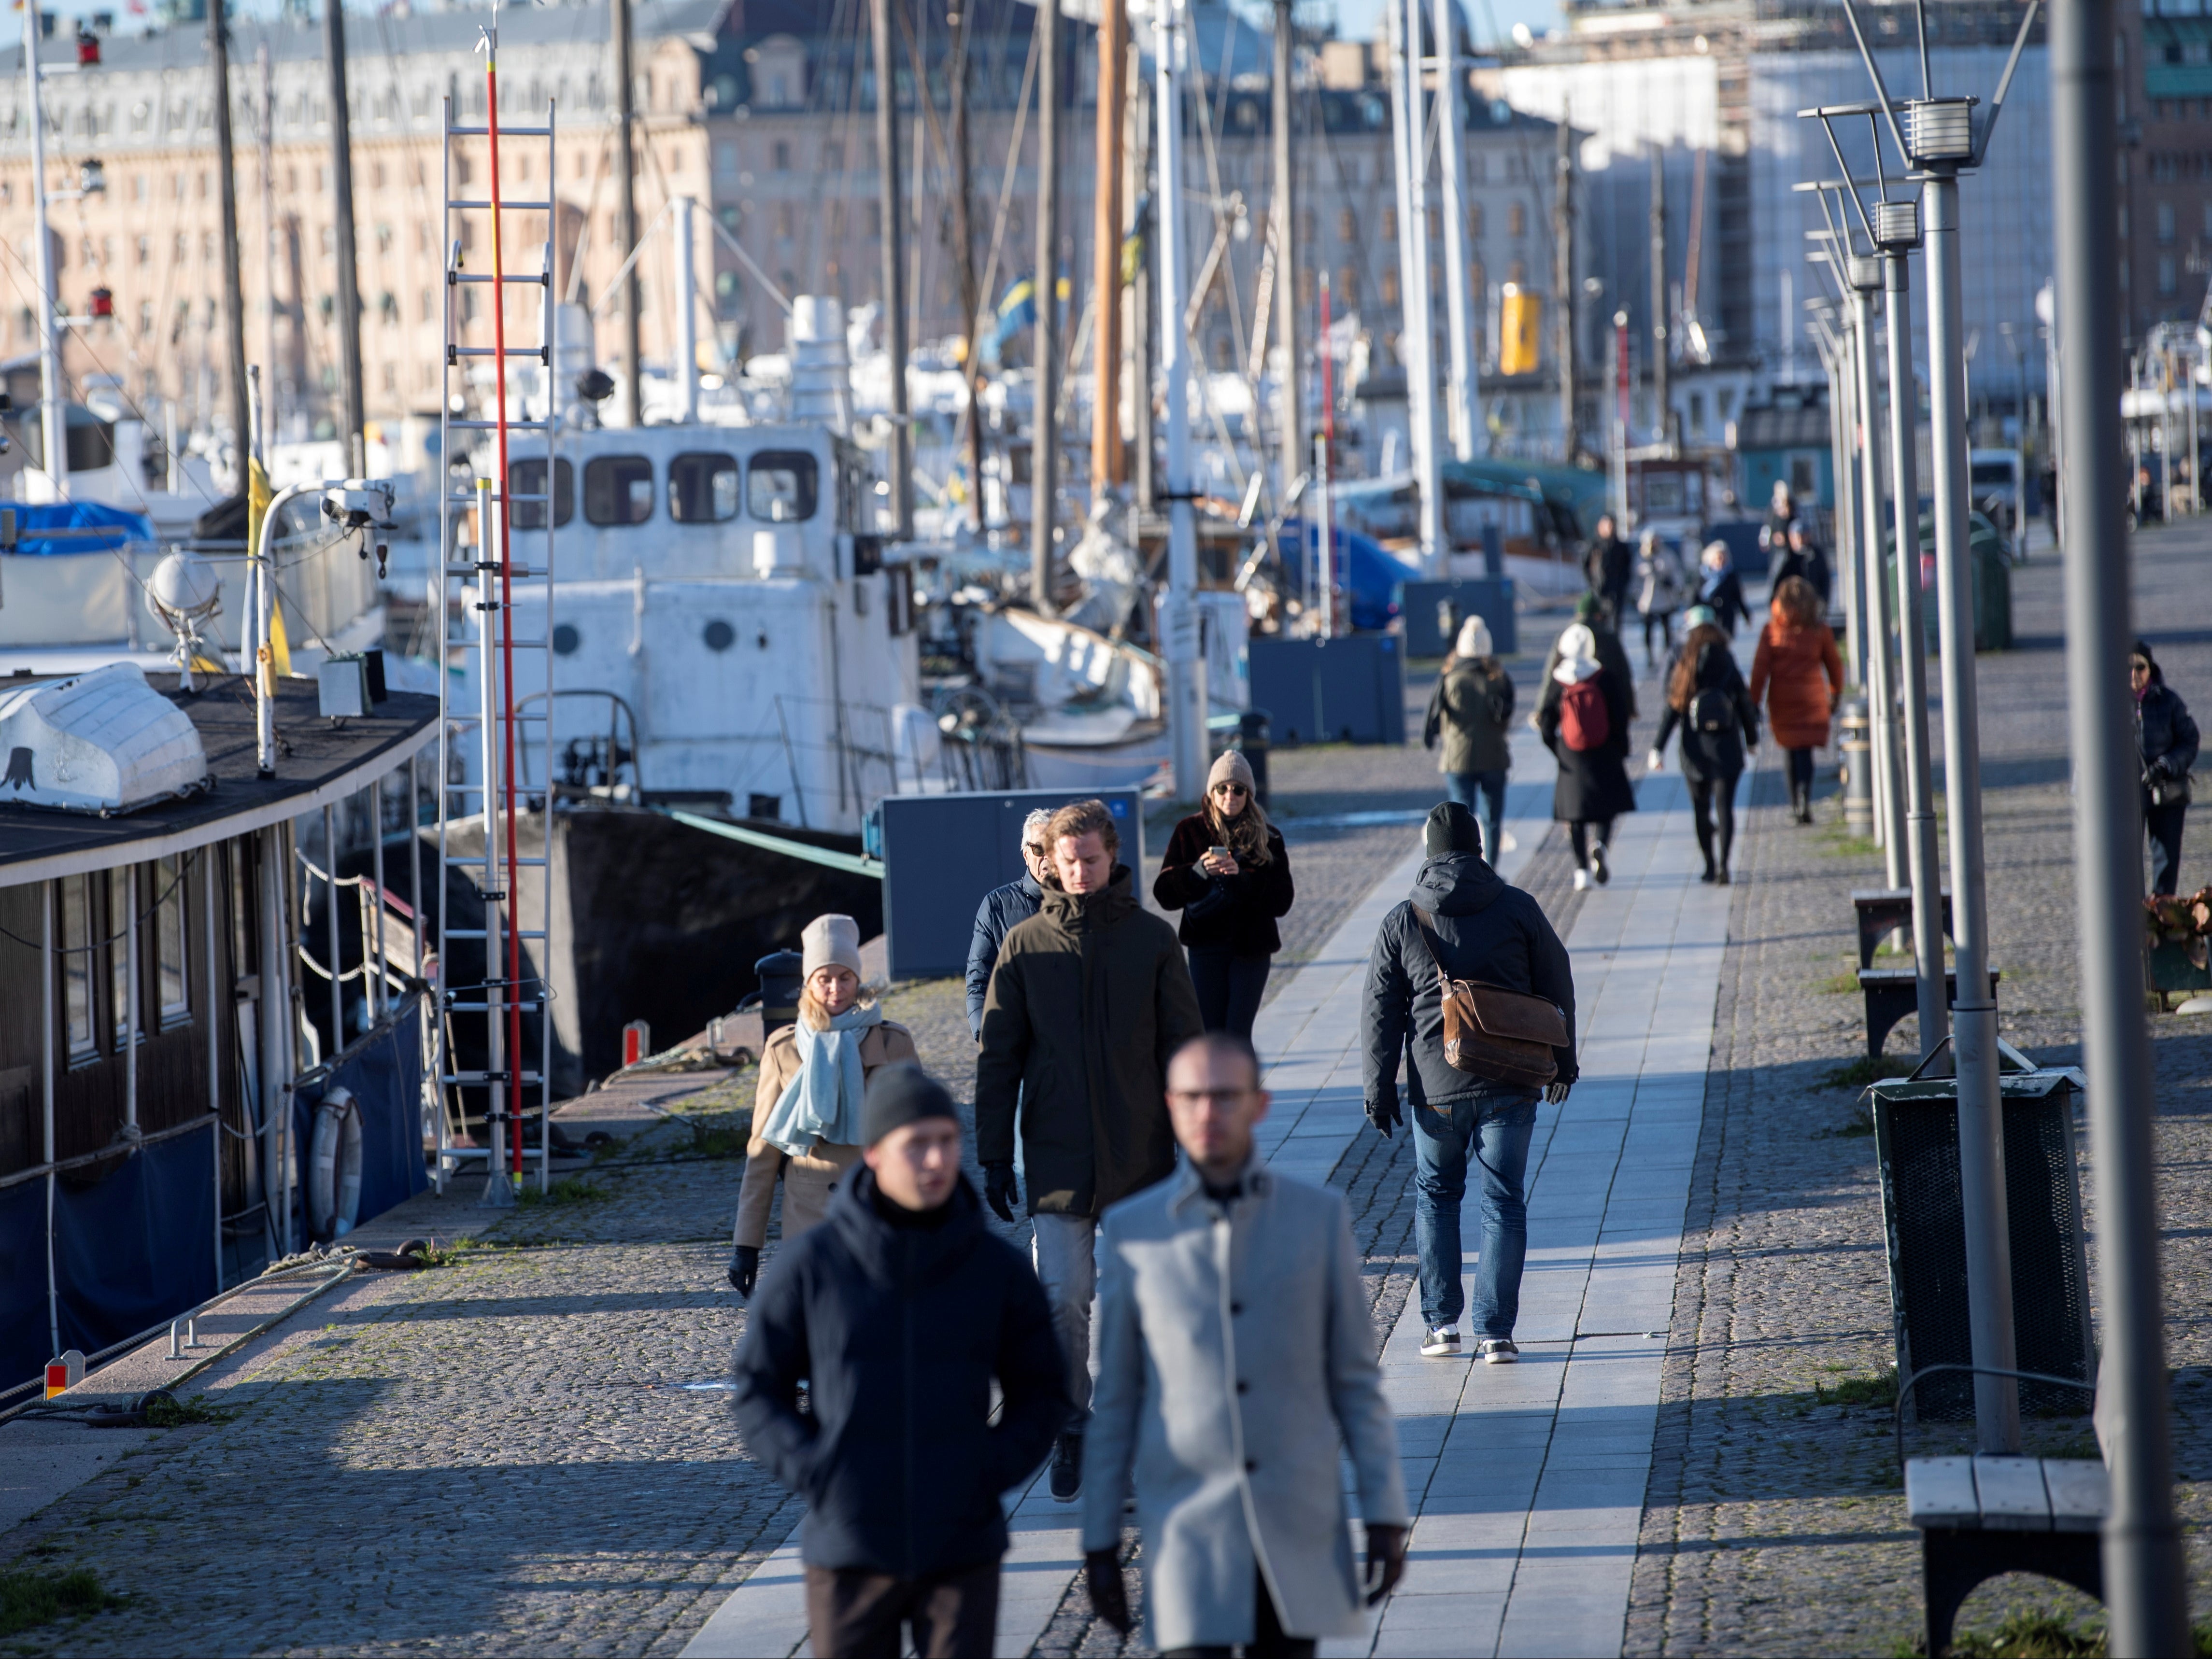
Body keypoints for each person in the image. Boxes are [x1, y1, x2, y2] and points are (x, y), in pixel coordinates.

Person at [1081, 1033, 1410, 1657]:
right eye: (1194, 1097)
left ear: (1260, 1105)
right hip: (1188, 1536)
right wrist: (1100, 1540)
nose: (1210, 1113)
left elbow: (1355, 1382)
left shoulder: (1316, 1218)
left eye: (1226, 1097)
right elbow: (1118, 1398)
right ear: (1170, 1106)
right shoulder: (1133, 1231)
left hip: (1295, 1523)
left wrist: (1385, 1514)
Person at [730, 1065, 1070, 1659]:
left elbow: (1041, 1391)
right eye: (916, 1144)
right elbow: (759, 1389)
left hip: (962, 1549)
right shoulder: (812, 1266)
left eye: (946, 1141)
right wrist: (822, 1470)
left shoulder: (997, 1269)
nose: (936, 1160)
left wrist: (985, 1470)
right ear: (874, 1154)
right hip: (850, 1551)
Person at [976, 797, 1205, 1502]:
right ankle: (1072, 1425)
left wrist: (1201, 1142)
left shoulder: (1151, 940)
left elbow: (1186, 1049)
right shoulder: (1023, 946)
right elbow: (998, 1057)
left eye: (1091, 859)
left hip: (1141, 1157)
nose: (1078, 871)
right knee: (1064, 1300)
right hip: (1056, 1155)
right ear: (1050, 861)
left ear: (1112, 856)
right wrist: (991, 1152)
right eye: (1066, 861)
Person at [1360, 804, 1577, 1364]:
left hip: (1436, 1088)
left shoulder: (1403, 919)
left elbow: (1379, 1014)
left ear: (1429, 852)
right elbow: (1557, 983)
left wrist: (1378, 1089)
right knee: (1503, 1202)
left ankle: (1440, 1326)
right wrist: (1563, 1061)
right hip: (1510, 1081)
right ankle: (1496, 1334)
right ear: (1480, 848)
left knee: (1436, 1196)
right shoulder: (1517, 908)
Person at [729, 914, 919, 1297]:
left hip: (878, 1207)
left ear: (858, 979)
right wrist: (746, 1245)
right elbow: (763, 1150)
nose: (836, 989)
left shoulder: (894, 1043)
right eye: (824, 979)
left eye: (845, 977)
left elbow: (920, 1138)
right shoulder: (784, 1048)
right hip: (808, 1213)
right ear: (808, 983)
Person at [1154, 751, 1295, 1040]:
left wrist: (1242, 878)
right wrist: (1197, 872)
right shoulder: (1189, 831)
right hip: (1205, 946)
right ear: (1212, 791)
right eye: (1222, 788)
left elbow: (1283, 901)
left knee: (1238, 1034)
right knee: (1211, 1034)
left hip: (1252, 947)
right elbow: (1165, 894)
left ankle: (1243, 1088)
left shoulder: (1269, 837)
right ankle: (1218, 1088)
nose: (1230, 795)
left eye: (1238, 789)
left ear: (1249, 794)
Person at [1649, 618, 1759, 884]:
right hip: (1726, 749)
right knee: (1725, 808)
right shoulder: (1728, 664)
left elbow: (1672, 711)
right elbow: (1745, 704)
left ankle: (1709, 865)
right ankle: (1724, 865)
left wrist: (1657, 749)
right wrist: (1752, 739)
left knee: (1701, 810)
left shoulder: (1687, 666)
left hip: (1694, 750)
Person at [1537, 621, 1637, 890]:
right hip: (1604, 751)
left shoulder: (1559, 680)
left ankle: (1581, 870)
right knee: (1606, 808)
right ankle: (1601, 846)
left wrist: (1558, 748)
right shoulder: (1604, 677)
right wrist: (1621, 749)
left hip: (1571, 755)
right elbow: (1620, 718)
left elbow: (1546, 723)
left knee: (1575, 816)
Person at [1747, 576, 1844, 827]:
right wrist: (1835, 693)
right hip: (1812, 697)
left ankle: (1794, 803)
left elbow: (1760, 670)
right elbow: (1834, 664)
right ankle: (1805, 797)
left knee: (1791, 751)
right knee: (1806, 751)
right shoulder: (1819, 630)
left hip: (1783, 699)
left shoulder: (1772, 631)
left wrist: (1753, 703)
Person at [1425, 615, 1515, 867]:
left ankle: (1463, 871)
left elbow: (1434, 718)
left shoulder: (1450, 678)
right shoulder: (1498, 679)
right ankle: (1492, 871)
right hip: (1494, 757)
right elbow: (1506, 715)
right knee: (1493, 820)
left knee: (1460, 822)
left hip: (1457, 759)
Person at [965, 809, 1057, 1041]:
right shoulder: (996, 905)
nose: (1047, 857)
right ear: (1026, 855)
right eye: (1039, 849)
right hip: (1020, 1046)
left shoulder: (1083, 902)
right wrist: (987, 1035)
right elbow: (978, 980)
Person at [2134, 639, 2199, 896]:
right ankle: (2134, 923)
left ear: (2151, 669)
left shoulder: (2169, 701)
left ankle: (2164, 922)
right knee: (2126, 865)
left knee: (2167, 862)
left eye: (2140, 667)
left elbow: (2190, 740)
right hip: (2128, 794)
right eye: (2127, 668)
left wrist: (2165, 766)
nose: (2134, 675)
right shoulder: (2110, 705)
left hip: (2167, 791)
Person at [1633, 529, 1686, 672]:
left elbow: (1676, 572)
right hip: (1647, 600)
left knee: (1667, 628)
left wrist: (1676, 586)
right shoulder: (1641, 557)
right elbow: (1636, 577)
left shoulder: (1667, 555)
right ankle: (1649, 655)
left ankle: (1667, 654)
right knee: (1648, 629)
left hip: (1665, 598)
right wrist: (1635, 596)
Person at [1583, 512, 1632, 630]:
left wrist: (1622, 585)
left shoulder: (1621, 546)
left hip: (1616, 592)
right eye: (1607, 525)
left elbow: (1628, 568)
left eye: (1612, 526)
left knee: (1616, 625)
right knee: (1599, 625)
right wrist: (1593, 584)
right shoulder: (1594, 545)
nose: (1610, 529)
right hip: (1599, 592)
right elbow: (1585, 566)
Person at [1770, 520, 1833, 609]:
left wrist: (1824, 602)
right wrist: (1773, 602)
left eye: (1804, 536)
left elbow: (1825, 578)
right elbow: (1775, 580)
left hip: (1811, 604)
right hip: (1789, 604)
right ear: (1791, 537)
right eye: (1797, 536)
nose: (1801, 540)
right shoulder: (1785, 556)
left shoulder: (1816, 555)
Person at [1695, 539, 1752, 637]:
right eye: (1718, 557)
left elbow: (1738, 597)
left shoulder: (1730, 576)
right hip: (1709, 616)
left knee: (1725, 642)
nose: (1721, 560)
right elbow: (1696, 596)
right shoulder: (1703, 576)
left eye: (1723, 557)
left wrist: (1746, 615)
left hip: (1727, 616)